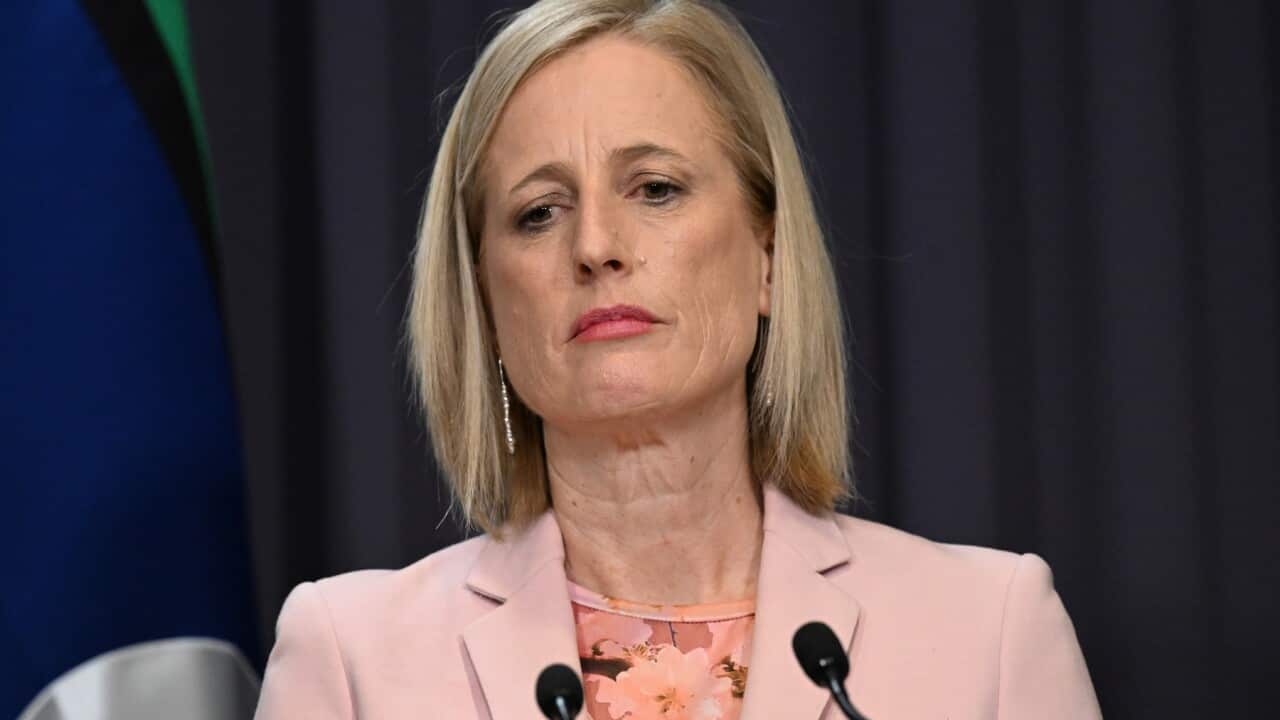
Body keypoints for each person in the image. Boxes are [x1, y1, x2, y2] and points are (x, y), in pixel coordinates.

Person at [253, 1, 1102, 718]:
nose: (595, 247)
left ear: (768, 256)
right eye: (539, 212)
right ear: (483, 300)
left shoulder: (987, 632)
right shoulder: (353, 657)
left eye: (655, 189)